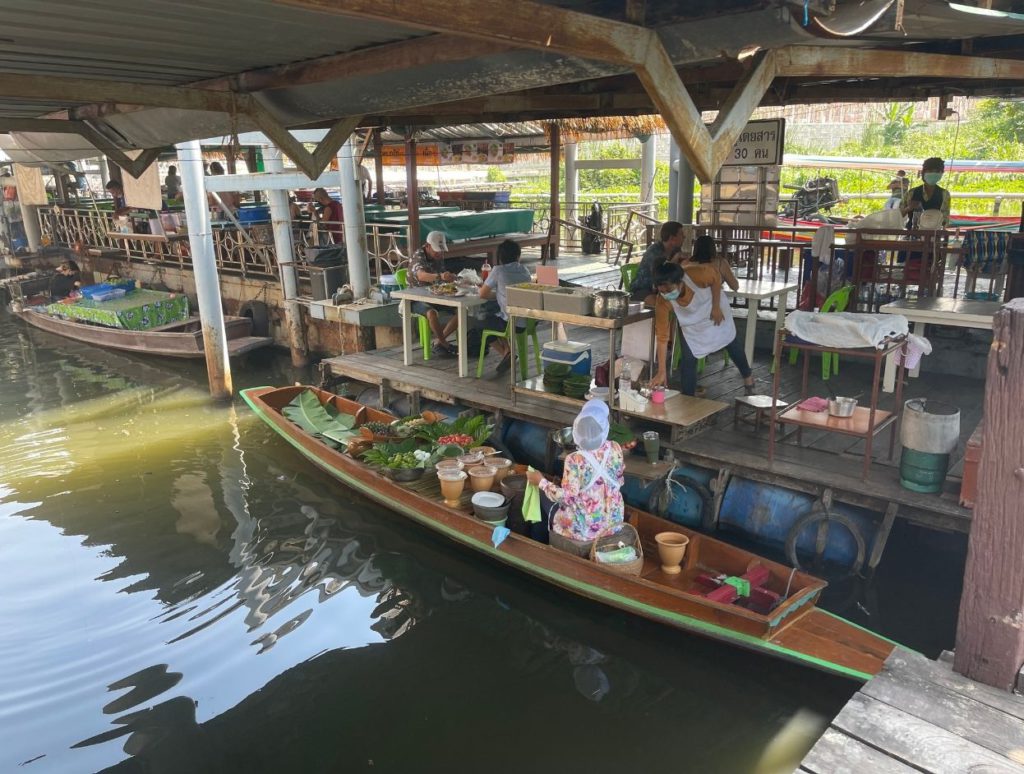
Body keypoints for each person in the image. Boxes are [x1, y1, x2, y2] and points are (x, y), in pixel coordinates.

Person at [651, 237, 755, 397]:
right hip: (691, 324)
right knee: (688, 359)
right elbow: (662, 338)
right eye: (661, 291)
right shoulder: (662, 302)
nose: (666, 294)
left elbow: (716, 278)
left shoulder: (697, 273)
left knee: (731, 343)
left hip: (714, 311)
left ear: (679, 283)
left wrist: (715, 307)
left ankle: (748, 377)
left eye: (669, 289)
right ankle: (688, 398)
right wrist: (661, 371)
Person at [526, 400, 625, 553]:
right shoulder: (615, 448)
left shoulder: (574, 459)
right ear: (604, 427)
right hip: (614, 523)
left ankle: (537, 549)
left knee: (541, 497)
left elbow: (566, 498)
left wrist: (541, 482)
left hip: (584, 530)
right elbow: (619, 480)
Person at [478, 238, 532, 372]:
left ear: (500, 258)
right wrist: (499, 294)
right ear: (518, 256)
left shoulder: (498, 270)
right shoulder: (525, 270)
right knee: (495, 313)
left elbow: (483, 295)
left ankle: (506, 353)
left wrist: (491, 292)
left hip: (510, 323)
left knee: (480, 323)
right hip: (527, 322)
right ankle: (508, 353)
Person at [409, 230, 459, 356]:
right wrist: (440, 276)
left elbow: (442, 276)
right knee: (431, 313)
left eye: (441, 251)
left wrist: (450, 277)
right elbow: (421, 276)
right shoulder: (418, 256)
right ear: (427, 246)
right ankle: (445, 344)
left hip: (436, 295)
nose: (439, 253)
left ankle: (438, 343)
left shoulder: (438, 256)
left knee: (463, 310)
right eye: (437, 250)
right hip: (416, 298)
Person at [630, 220, 686, 301]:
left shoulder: (675, 250)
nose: (684, 237)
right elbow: (661, 275)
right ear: (672, 238)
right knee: (659, 304)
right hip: (643, 290)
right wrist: (675, 259)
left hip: (663, 289)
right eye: (681, 234)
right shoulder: (654, 251)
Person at [900, 157, 951, 229]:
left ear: (941, 173)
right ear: (924, 172)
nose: (933, 173)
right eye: (930, 171)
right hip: (912, 235)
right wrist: (908, 208)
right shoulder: (912, 193)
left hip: (934, 235)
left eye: (937, 171)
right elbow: (898, 215)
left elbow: (945, 220)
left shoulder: (944, 194)